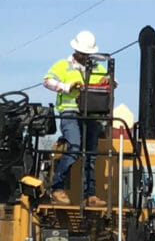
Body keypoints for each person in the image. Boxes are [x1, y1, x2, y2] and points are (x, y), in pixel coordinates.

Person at [43, 29, 111, 204]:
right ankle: (57, 188)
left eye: (88, 54)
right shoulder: (62, 66)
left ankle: (90, 195)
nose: (86, 56)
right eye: (83, 53)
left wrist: (109, 82)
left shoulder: (97, 67)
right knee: (73, 147)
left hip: (91, 115)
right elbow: (47, 81)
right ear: (76, 51)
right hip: (70, 113)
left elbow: (112, 82)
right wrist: (67, 86)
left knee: (91, 155)